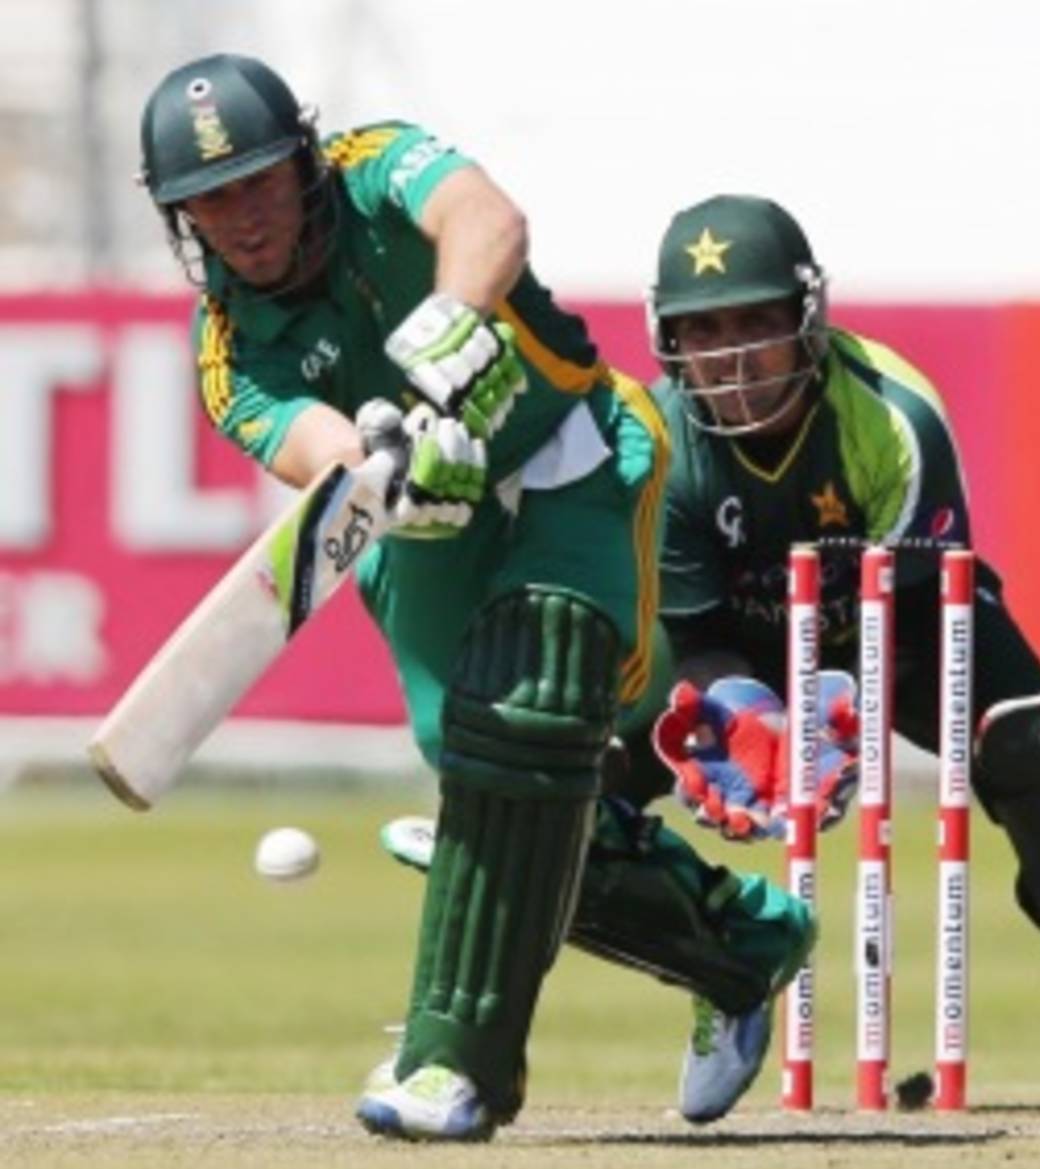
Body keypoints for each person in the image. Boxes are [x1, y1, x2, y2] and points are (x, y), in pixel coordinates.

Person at [136, 56, 812, 1141]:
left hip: (572, 457)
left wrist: (453, 320)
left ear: (304, 162)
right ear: (181, 218)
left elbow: (484, 217)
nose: (243, 217)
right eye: (210, 200)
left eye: (259, 181)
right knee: (502, 785)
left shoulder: (374, 168)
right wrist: (393, 460)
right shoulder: (227, 351)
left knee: (528, 709)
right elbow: (322, 450)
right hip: (421, 529)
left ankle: (452, 1062)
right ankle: (739, 943)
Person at [619, 192, 1040, 1113]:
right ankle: (721, 970)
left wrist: (838, 745)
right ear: (667, 336)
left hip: (908, 630)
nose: (731, 356)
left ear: (808, 317)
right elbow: (697, 637)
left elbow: (916, 606)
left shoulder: (891, 418)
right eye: (704, 328)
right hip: (743, 648)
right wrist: (759, 722)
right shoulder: (657, 440)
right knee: (578, 766)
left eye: (756, 323)